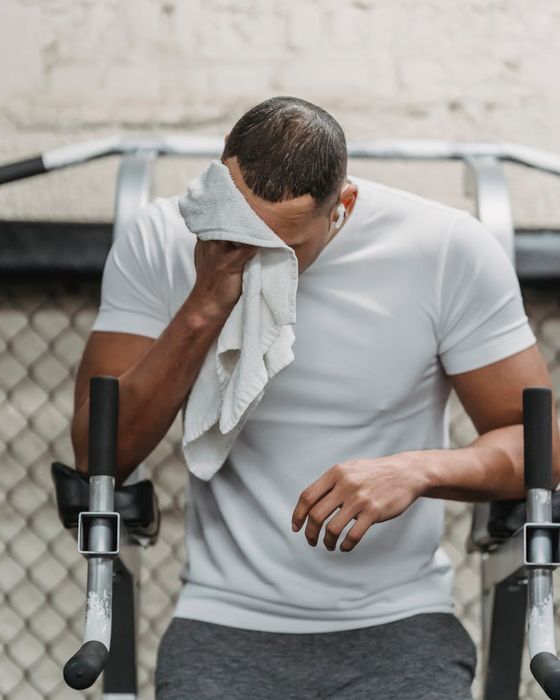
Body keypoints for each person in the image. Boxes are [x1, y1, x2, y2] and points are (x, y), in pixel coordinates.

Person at [71, 96, 560, 700]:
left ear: (341, 208)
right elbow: (99, 452)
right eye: (241, 229)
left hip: (400, 621)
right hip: (224, 617)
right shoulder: (162, 238)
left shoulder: (448, 249)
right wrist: (204, 305)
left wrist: (419, 469)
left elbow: (540, 446)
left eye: (285, 247)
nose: (257, 258)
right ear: (222, 175)